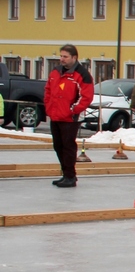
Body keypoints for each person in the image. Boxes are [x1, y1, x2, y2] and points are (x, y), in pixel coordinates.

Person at [43, 44, 94, 188]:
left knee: (68, 146)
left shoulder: (82, 74)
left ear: (74, 57)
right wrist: (48, 106)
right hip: (55, 115)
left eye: (65, 56)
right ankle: (65, 173)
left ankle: (70, 176)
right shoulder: (55, 71)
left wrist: (73, 109)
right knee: (58, 145)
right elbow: (48, 90)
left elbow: (86, 96)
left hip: (70, 117)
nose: (62, 59)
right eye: (61, 56)